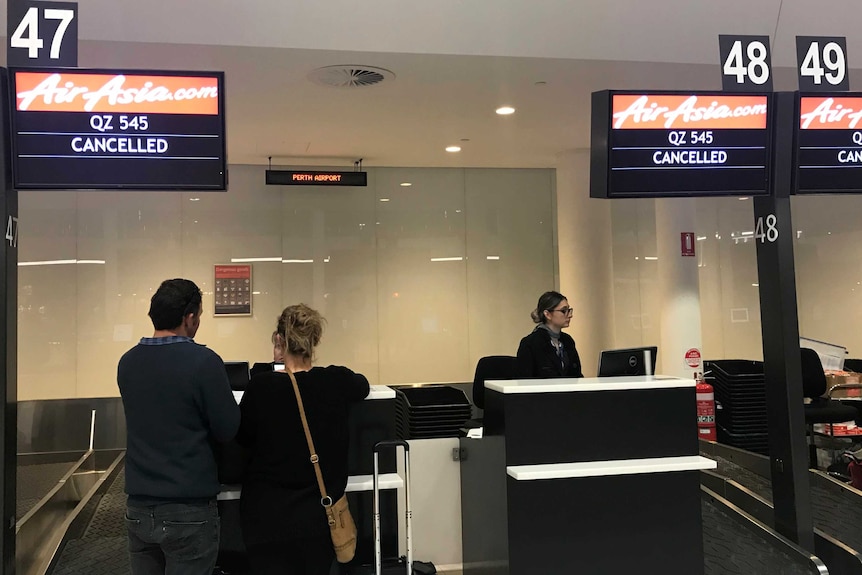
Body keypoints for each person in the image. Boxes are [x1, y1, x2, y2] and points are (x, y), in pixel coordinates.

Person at [117, 278, 240, 575]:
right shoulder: (203, 362)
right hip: (188, 509)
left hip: (139, 508)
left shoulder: (127, 362)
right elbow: (228, 428)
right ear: (190, 317)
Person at [237, 304, 370, 575]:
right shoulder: (336, 381)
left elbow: (242, 438)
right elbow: (362, 385)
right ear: (315, 341)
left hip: (266, 521)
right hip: (317, 522)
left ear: (279, 341)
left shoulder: (261, 388)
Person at [516, 290, 584, 378]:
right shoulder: (530, 343)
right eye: (564, 311)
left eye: (569, 310)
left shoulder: (568, 341)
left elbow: (577, 376)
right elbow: (524, 381)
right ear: (547, 314)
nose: (570, 315)